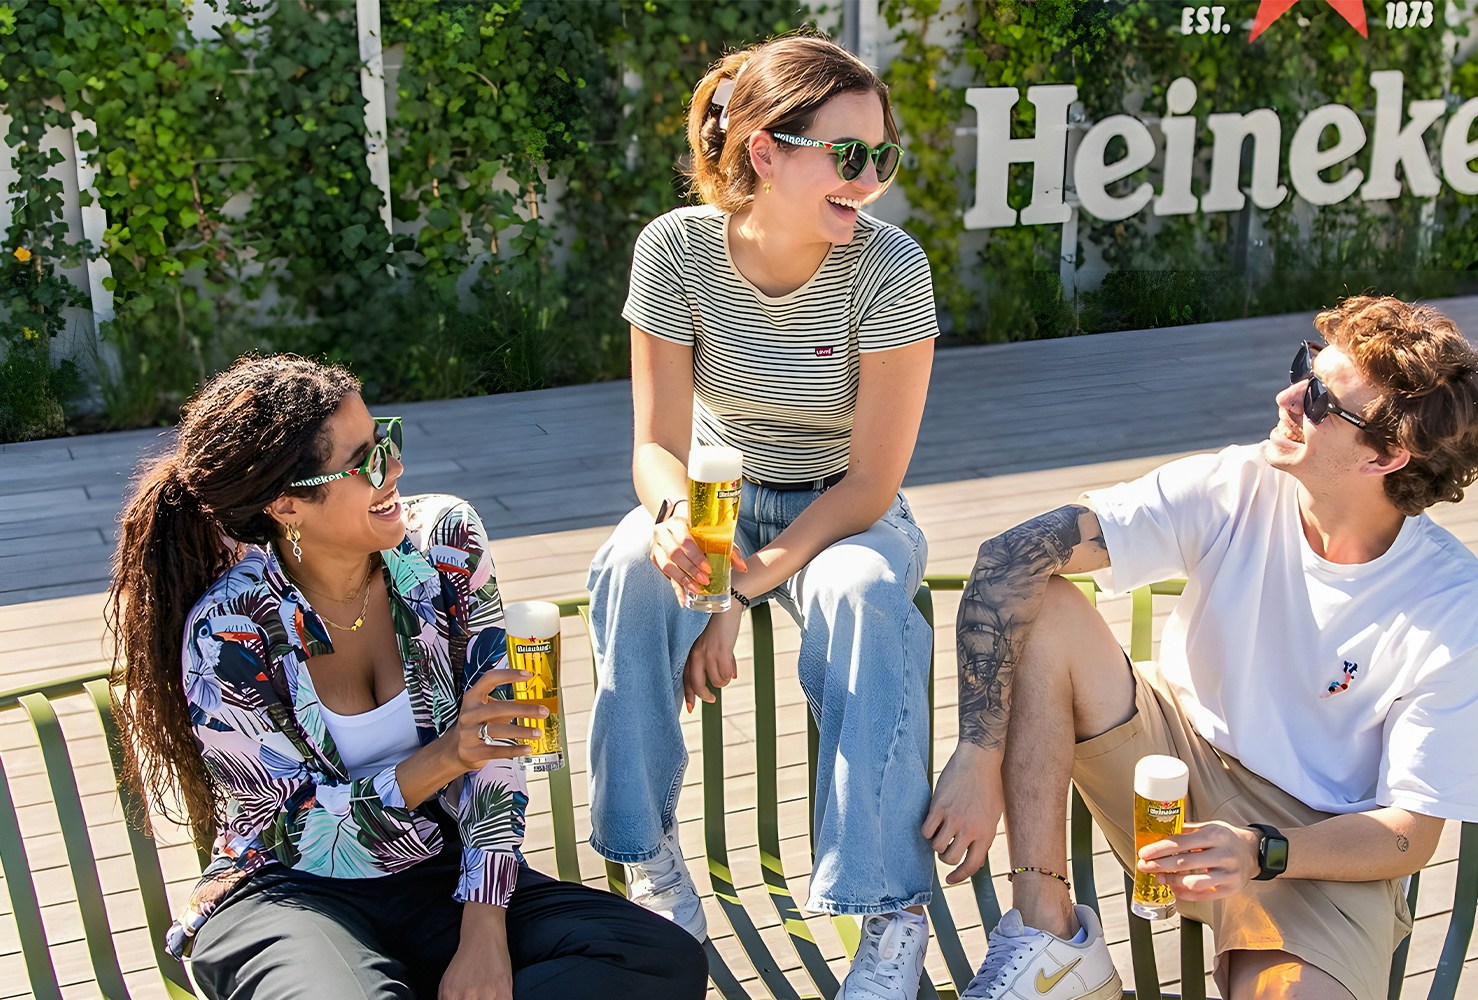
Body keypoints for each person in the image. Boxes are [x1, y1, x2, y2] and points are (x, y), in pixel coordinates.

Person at [922, 296, 1478, 1000]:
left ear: (1386, 455)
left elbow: (1410, 834)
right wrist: (976, 755)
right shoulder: (1233, 485)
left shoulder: (1451, 604)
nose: (1289, 396)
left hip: (1317, 846)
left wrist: (1264, 851)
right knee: (1044, 600)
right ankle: (1052, 941)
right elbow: (1010, 556)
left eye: (1321, 398)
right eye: (1304, 369)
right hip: (1166, 763)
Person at [107, 355, 707, 1000]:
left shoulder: (445, 544)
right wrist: (446, 756)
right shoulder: (230, 629)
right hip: (291, 889)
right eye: (365, 461)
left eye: (386, 439)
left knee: (656, 958)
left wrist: (484, 932)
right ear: (287, 505)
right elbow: (298, 831)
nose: (395, 468)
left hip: (442, 867)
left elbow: (497, 756)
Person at [585, 33, 940, 1000]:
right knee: (627, 569)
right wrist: (675, 524)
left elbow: (871, 483)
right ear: (764, 151)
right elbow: (654, 445)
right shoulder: (675, 249)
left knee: (868, 594)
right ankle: (649, 861)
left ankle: (887, 914)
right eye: (847, 154)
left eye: (882, 156)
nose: (869, 180)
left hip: (845, 511)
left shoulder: (890, 268)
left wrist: (737, 588)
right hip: (715, 490)